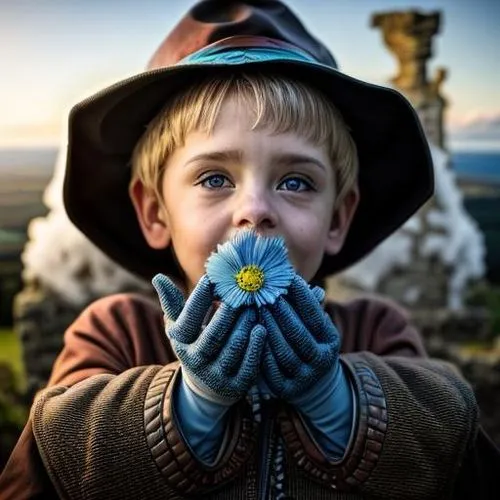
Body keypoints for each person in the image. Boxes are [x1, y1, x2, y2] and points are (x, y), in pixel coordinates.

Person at [1, 1, 499, 499]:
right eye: (215, 177)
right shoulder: (115, 333)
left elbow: (452, 449)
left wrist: (336, 398)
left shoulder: (377, 330)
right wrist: (187, 406)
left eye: (297, 182)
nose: (255, 209)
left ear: (338, 218)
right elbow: (49, 465)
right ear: (155, 212)